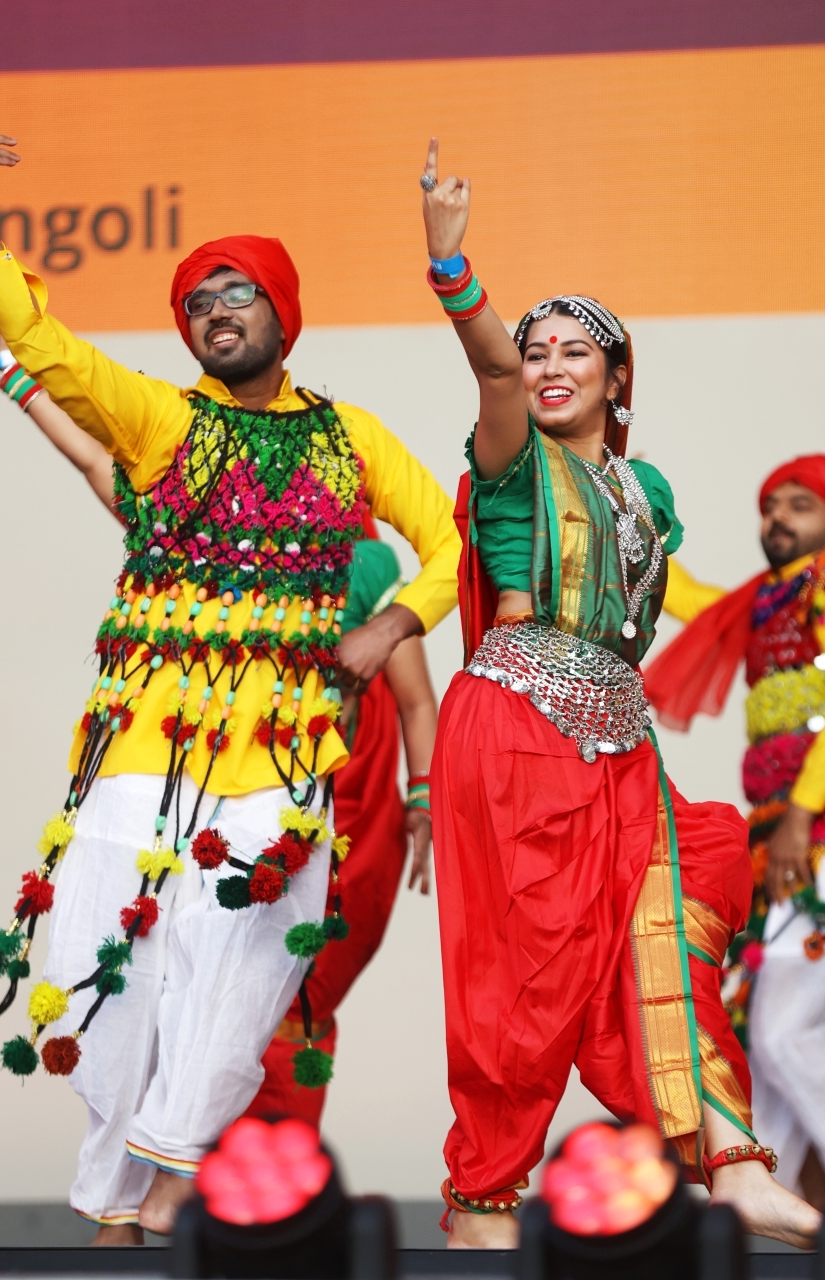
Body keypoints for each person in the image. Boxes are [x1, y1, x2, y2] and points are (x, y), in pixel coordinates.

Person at [0, 102, 459, 1244]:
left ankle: (167, 1181)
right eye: (196, 303)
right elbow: (45, 344)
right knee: (103, 967)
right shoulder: (161, 422)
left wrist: (389, 627)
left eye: (237, 293)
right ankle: (120, 1195)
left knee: (244, 976)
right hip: (139, 749)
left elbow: (449, 545)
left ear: (283, 312)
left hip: (283, 760)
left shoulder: (353, 439)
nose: (215, 312)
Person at [418, 137, 821, 1250]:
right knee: (527, 971)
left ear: (615, 376)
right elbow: (491, 375)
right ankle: (483, 1198)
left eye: (573, 350)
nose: (546, 364)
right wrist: (453, 270)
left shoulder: (642, 488)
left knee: (666, 918)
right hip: (514, 728)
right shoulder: (511, 459)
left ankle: (729, 1160)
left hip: (617, 741)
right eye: (533, 347)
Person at [0, 326, 438, 1126]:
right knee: (175, 973)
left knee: (279, 986)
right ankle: (179, 1163)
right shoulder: (197, 538)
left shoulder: (362, 567)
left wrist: (422, 797)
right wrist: (25, 386)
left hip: (329, 802)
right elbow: (97, 461)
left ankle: (261, 1169)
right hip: (203, 785)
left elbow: (412, 700)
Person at [645, 457, 825, 1210]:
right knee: (763, 1037)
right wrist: (633, 517)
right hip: (784, 837)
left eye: (800, 504)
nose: (777, 517)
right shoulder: (766, 601)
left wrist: (801, 816)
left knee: (781, 1032)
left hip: (808, 833)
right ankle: (764, 1205)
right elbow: (688, 597)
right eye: (769, 505)